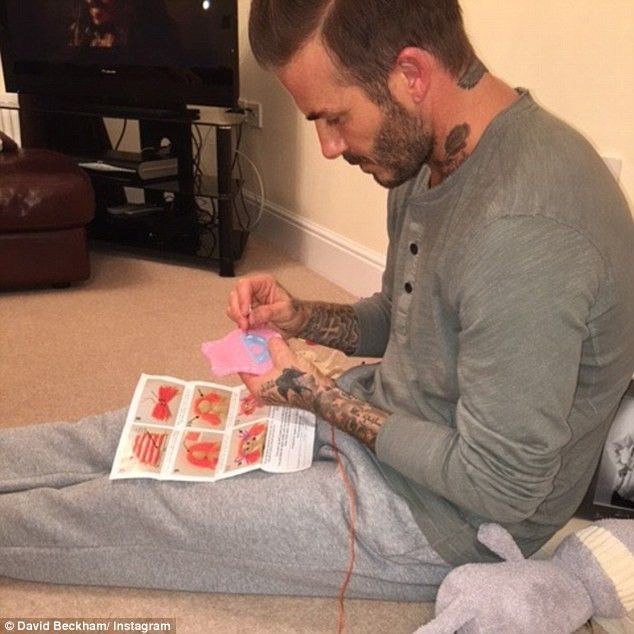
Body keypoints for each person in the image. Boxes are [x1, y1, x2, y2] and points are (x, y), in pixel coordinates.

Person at [0, 0, 632, 605]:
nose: (330, 147)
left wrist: (317, 397)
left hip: (447, 519)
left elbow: (501, 487)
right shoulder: (427, 158)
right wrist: (301, 317)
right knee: (143, 429)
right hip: (384, 418)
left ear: (411, 74)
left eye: (334, 118)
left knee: (142, 508)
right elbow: (406, 319)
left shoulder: (524, 230)